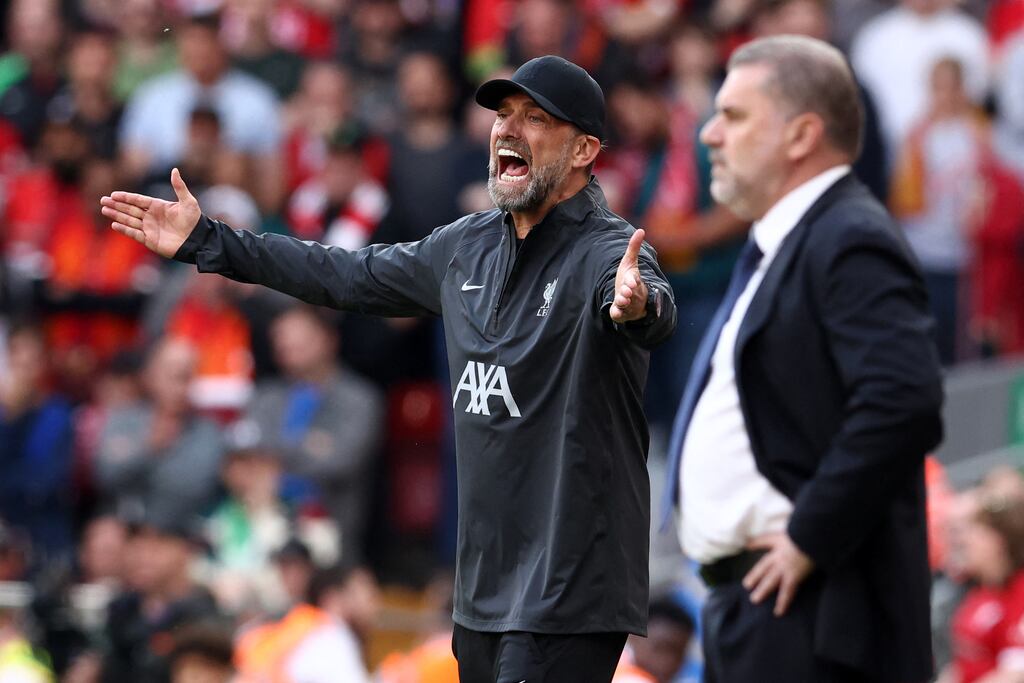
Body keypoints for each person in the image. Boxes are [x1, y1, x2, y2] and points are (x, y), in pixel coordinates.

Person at [102, 54, 677, 681]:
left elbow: (647, 304)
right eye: (503, 116)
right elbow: (344, 274)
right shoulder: (466, 245)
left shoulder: (606, 251)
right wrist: (208, 241)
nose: (509, 130)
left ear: (584, 149)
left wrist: (635, 306)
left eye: (536, 119)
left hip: (571, 585)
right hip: (484, 585)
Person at [662, 36, 943, 682]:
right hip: (759, 610)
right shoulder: (792, 241)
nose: (709, 134)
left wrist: (809, 535)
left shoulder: (849, 236)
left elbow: (903, 399)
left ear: (800, 136)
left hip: (810, 616)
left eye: (733, 116)